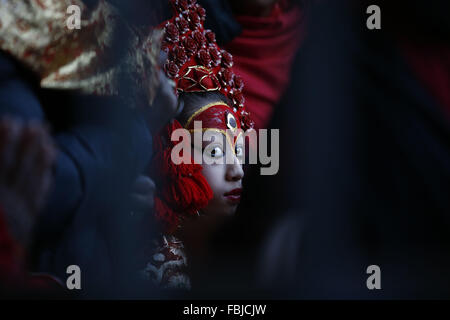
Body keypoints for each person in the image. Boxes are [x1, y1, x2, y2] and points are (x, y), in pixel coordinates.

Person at [139, 0, 254, 292]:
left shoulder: (216, 244)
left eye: (239, 151)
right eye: (214, 151)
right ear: (170, 151)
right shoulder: (159, 258)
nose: (237, 171)